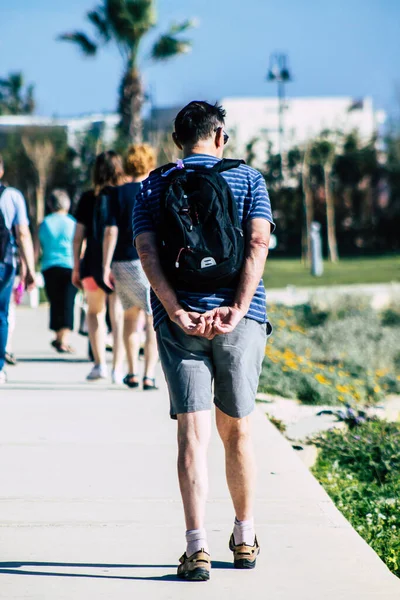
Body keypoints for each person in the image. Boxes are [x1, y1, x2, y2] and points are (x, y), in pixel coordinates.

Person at [133, 101, 274, 580]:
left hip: (181, 324)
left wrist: (175, 310)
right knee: (238, 432)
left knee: (191, 435)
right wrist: (235, 309)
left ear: (178, 140)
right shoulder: (248, 179)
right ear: (220, 137)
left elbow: (146, 252)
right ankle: (245, 536)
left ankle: (196, 549)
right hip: (241, 319)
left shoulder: (152, 184)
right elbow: (257, 243)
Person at [103, 144, 158, 390]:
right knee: (153, 319)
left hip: (122, 261)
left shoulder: (117, 193)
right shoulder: (154, 189)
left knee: (129, 317)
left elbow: (111, 230)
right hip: (148, 260)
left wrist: (106, 265)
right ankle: (149, 374)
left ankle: (132, 372)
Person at [72, 151, 125, 383]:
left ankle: (99, 364)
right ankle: (118, 368)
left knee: (94, 313)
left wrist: (76, 266)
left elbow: (78, 236)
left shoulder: (87, 198)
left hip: (92, 262)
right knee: (118, 316)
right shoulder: (124, 195)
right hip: (120, 263)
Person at [0, 154, 36, 384]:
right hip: (4, 263)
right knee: (1, 315)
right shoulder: (12, 196)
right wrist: (29, 267)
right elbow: (22, 233)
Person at [39, 189, 77, 353]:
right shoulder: (72, 222)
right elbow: (80, 246)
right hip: (69, 266)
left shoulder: (44, 223)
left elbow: (36, 246)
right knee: (68, 303)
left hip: (49, 267)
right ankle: (63, 339)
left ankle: (58, 337)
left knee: (55, 302)